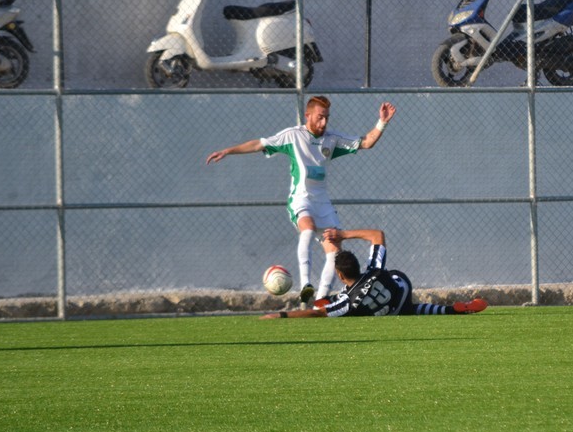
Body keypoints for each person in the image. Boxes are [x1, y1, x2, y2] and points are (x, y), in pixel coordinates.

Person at [206, 96, 396, 306]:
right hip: (301, 198)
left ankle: (321, 301)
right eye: (320, 117)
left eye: (327, 118)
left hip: (322, 202)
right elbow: (259, 144)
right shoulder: (293, 136)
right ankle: (306, 284)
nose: (324, 123)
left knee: (335, 252)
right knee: (308, 228)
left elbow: (366, 142)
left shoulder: (332, 139)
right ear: (308, 116)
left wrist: (382, 122)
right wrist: (228, 151)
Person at [260, 228, 488, 318]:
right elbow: (377, 235)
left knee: (331, 303)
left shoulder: (347, 303)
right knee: (408, 307)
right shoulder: (374, 270)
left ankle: (449, 309)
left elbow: (318, 314)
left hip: (387, 310)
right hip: (401, 287)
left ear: (340, 275)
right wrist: (343, 234)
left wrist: (281, 316)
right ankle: (452, 309)